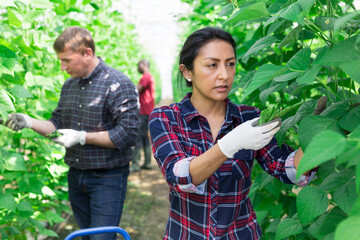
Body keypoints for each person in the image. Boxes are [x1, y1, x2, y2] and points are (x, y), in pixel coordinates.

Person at [148, 27, 316, 240]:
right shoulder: (166, 118)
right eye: (212, 65)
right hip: (186, 234)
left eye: (230, 64)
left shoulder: (249, 118)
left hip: (240, 234)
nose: (225, 75)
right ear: (187, 71)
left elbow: (288, 170)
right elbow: (179, 177)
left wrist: (317, 130)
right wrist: (231, 143)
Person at [4, 26, 139, 240]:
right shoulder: (69, 86)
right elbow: (56, 125)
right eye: (60, 61)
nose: (62, 67)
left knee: (101, 238)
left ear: (87, 53)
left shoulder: (118, 84)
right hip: (76, 176)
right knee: (86, 237)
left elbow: (128, 134)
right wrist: (29, 122)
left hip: (108, 178)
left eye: (67, 60)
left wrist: (82, 137)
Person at [130, 59, 155, 171]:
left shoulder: (145, 77)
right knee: (145, 137)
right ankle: (147, 163)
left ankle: (135, 164)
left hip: (143, 111)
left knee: (137, 137)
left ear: (144, 65)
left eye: (139, 65)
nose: (137, 67)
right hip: (148, 111)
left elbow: (137, 90)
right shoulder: (150, 77)